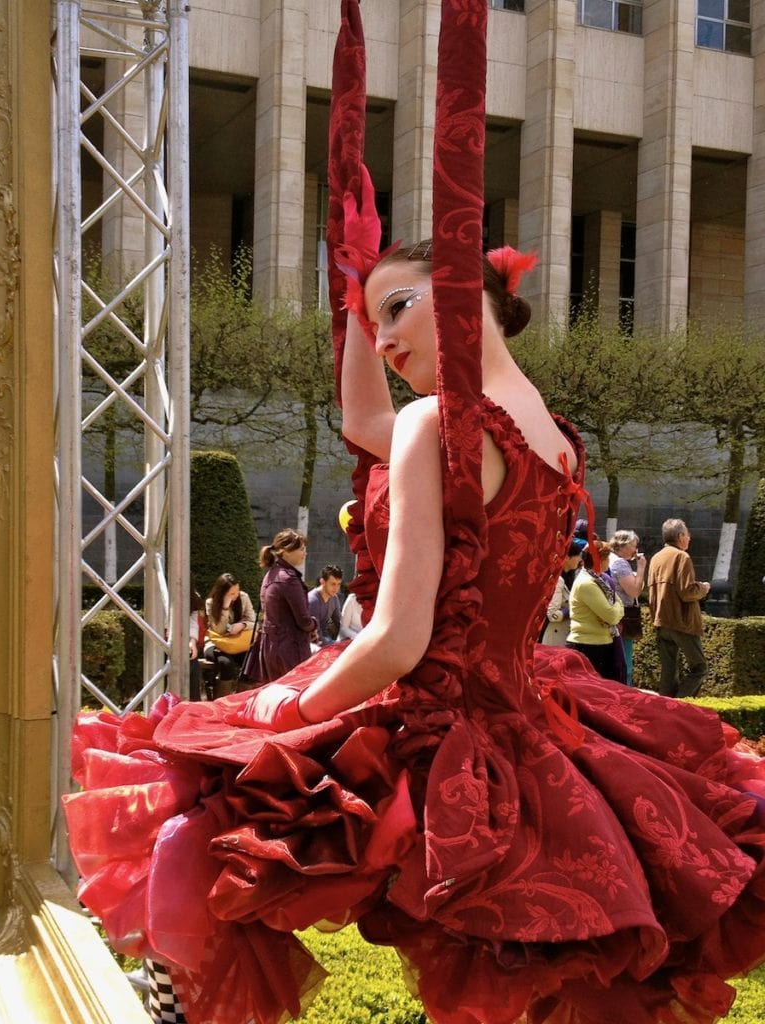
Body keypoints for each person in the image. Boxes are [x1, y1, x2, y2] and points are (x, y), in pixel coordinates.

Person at [63, 235, 765, 1024]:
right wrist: (357, 310)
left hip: (431, 720)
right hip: (522, 713)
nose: (385, 340)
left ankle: (174, 1009)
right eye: (376, 324)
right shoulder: (555, 435)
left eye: (399, 310)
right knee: (546, 964)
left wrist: (290, 708)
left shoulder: (437, 421)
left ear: (467, 296)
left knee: (188, 805)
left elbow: (399, 639)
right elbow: (369, 420)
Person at [648, 517, 711, 698]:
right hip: (682, 622)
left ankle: (665, 708)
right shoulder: (682, 557)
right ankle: (679, 704)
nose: (689, 538)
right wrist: (704, 588)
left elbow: (652, 591)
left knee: (668, 671)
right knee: (700, 668)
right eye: (687, 534)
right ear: (680, 536)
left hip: (662, 621)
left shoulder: (657, 557)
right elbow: (687, 592)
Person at [257, 528, 317, 682]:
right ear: (286, 551)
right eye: (301, 549)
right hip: (290, 649)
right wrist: (314, 625)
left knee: (275, 692)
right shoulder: (288, 579)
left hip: (270, 647)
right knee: (295, 691)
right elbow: (304, 621)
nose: (305, 553)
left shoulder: (270, 575)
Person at [566, 540, 626, 683]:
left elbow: (618, 605)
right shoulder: (587, 583)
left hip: (601, 643)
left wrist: (616, 608)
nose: (608, 562)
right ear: (599, 560)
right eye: (607, 558)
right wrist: (617, 608)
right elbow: (612, 616)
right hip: (588, 646)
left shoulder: (599, 580)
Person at [203, 573, 256, 698]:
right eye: (232, 593)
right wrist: (225, 607)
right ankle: (222, 700)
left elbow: (253, 622)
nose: (236, 595)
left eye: (237, 591)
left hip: (238, 642)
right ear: (222, 593)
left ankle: (242, 699)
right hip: (216, 644)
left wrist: (242, 625)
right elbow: (219, 630)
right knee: (226, 664)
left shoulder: (243, 597)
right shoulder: (211, 603)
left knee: (252, 662)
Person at [608, 528, 647, 685]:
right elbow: (634, 591)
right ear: (623, 546)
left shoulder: (610, 559)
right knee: (625, 662)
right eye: (634, 545)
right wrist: (641, 567)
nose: (636, 550)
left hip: (612, 614)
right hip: (624, 616)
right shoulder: (621, 564)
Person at [540, 539, 583, 646]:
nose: (580, 559)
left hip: (564, 634)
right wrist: (572, 609)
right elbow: (552, 615)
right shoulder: (558, 580)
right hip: (554, 637)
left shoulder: (570, 576)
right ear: (567, 557)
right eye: (577, 555)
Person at [307, 564, 344, 646]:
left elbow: (340, 623)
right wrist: (336, 645)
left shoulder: (334, 598)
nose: (336, 588)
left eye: (339, 584)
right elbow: (316, 636)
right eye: (333, 584)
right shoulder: (313, 601)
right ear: (322, 582)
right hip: (311, 643)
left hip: (326, 638)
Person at [188, 577, 206, 701]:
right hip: (165, 640)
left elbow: (193, 623)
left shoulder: (193, 598)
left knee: (193, 664)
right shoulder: (163, 594)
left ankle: (194, 704)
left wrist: (192, 642)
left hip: (186, 640)